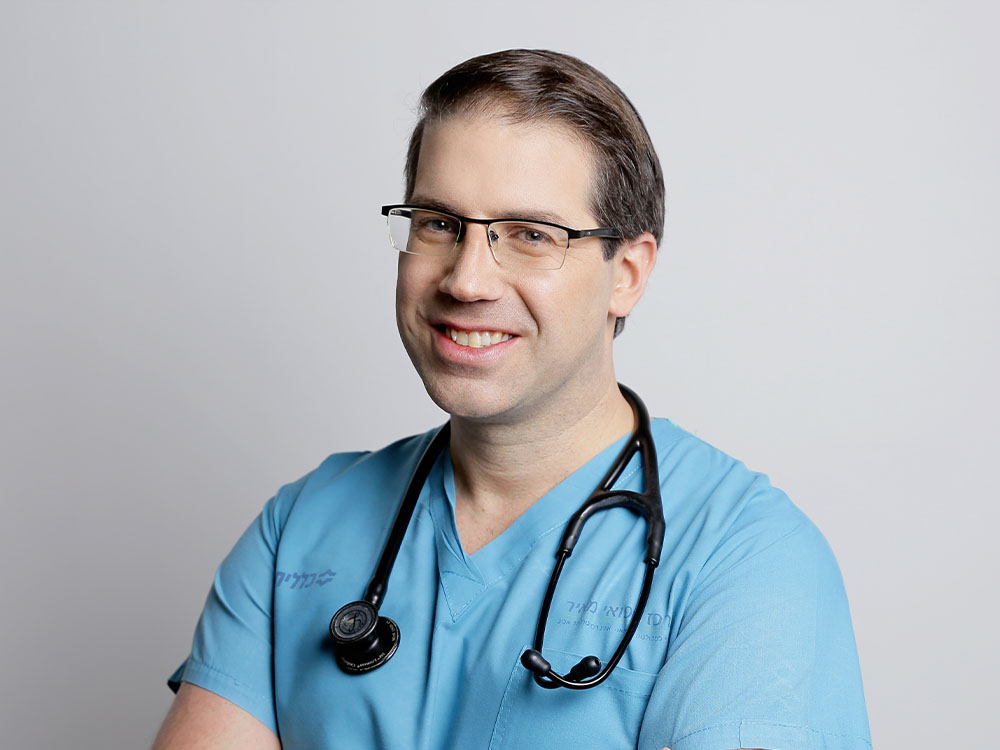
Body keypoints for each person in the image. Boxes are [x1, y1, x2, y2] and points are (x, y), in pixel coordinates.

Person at [154, 49, 871, 750]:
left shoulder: (745, 556)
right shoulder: (301, 526)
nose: (466, 281)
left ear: (627, 273)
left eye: (530, 234)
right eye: (439, 223)